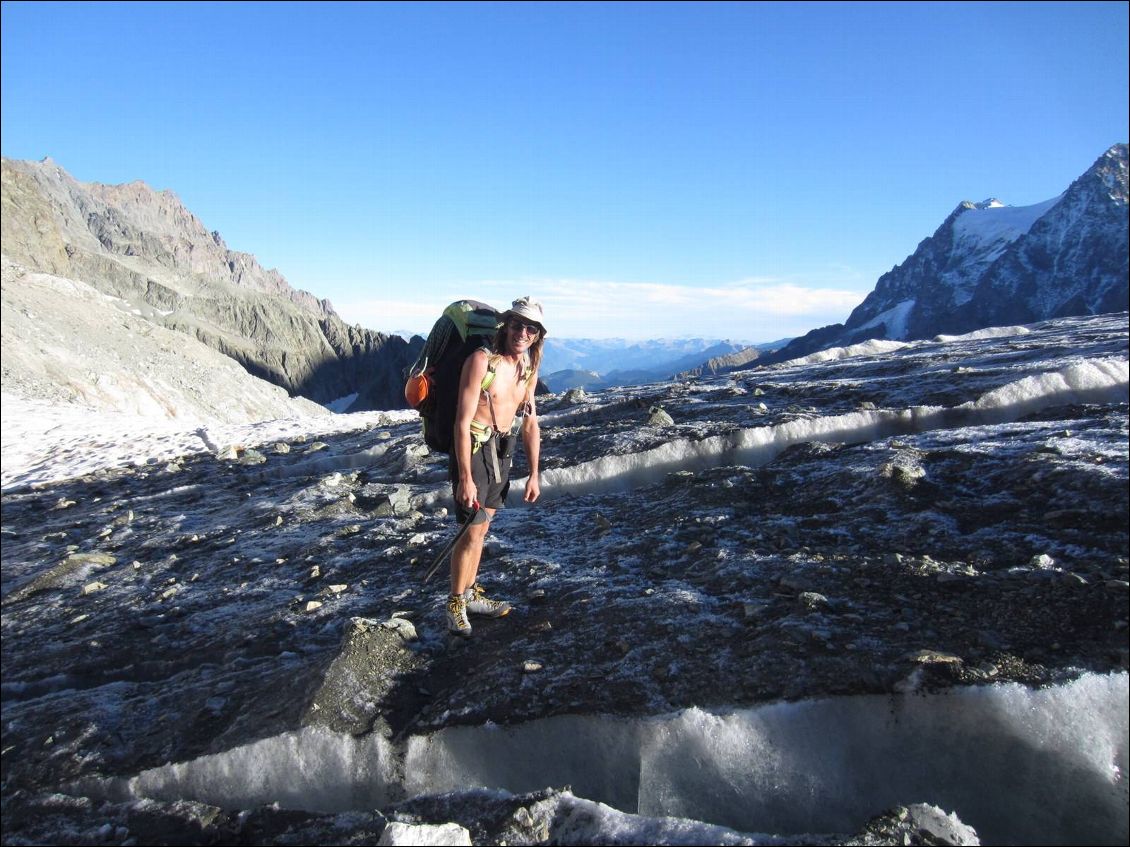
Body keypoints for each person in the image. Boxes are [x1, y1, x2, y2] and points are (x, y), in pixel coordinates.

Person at [445, 296, 545, 636]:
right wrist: (464, 478)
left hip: (502, 452)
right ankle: (455, 603)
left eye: (530, 328)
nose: (522, 332)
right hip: (473, 450)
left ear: (537, 335)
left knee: (482, 529)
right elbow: (461, 423)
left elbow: (530, 424)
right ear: (506, 324)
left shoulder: (528, 369)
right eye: (517, 324)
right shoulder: (481, 362)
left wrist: (534, 472)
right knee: (472, 531)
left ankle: (470, 594)